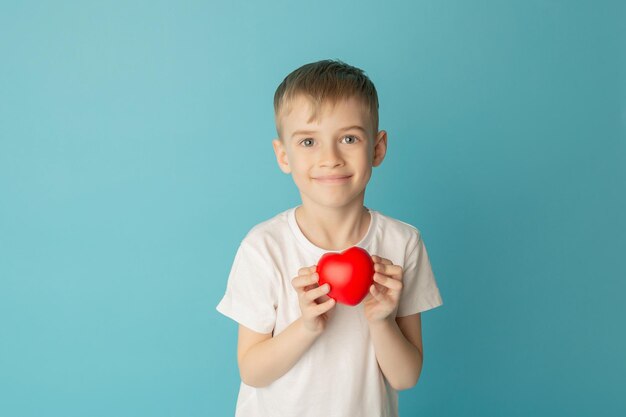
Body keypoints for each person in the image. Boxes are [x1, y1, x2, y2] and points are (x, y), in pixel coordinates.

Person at [216, 59, 443, 417]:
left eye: (349, 138)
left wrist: (382, 320)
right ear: (283, 155)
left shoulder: (402, 243)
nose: (330, 158)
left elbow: (406, 377)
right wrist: (306, 327)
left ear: (378, 148)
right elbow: (252, 371)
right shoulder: (264, 247)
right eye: (308, 141)